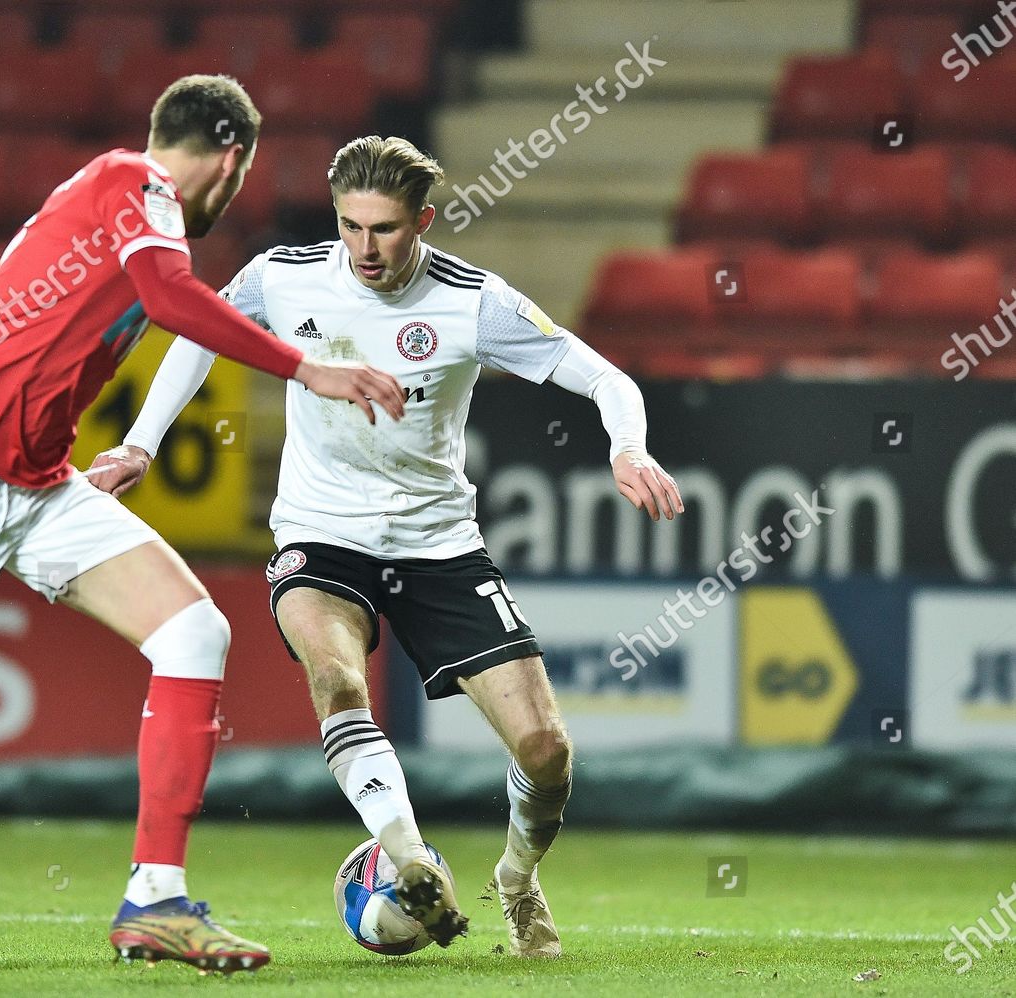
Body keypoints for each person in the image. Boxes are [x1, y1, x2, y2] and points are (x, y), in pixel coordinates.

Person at [0, 77, 406, 975]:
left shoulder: (132, 209)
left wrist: (131, 446)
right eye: (238, 178)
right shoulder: (132, 182)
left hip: (38, 479)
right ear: (230, 159)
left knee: (194, 632)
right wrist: (307, 369)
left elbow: (149, 302)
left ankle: (155, 899)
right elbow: (171, 298)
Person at [88, 135, 684, 957]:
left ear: (425, 221)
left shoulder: (473, 303)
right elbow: (199, 336)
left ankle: (514, 880)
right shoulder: (284, 276)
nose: (365, 249)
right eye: (351, 226)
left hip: (438, 542)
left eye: (387, 229)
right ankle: (408, 859)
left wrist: (628, 446)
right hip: (320, 533)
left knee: (547, 753)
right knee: (336, 680)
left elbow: (607, 379)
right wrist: (141, 446)